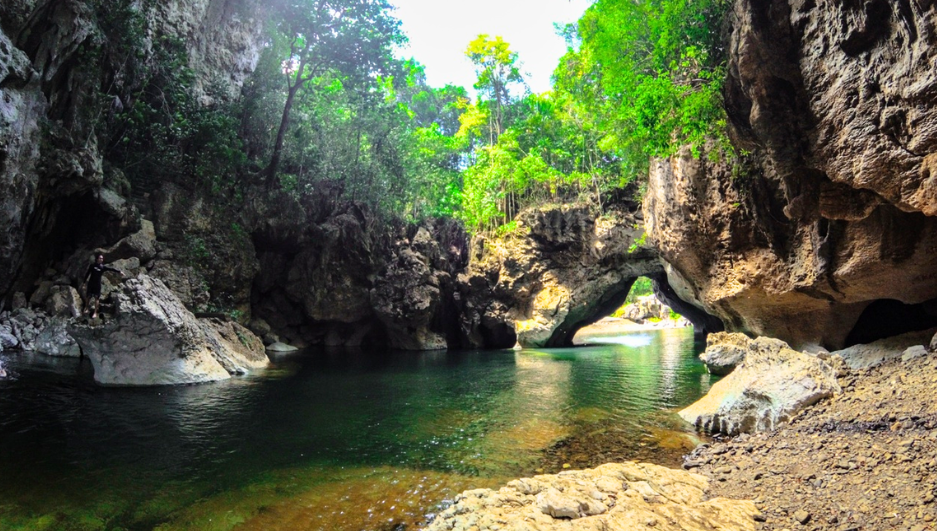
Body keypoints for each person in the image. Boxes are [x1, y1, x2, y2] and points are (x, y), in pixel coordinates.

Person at [82, 253, 124, 319]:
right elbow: (87, 273)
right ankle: (86, 307)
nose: (101, 259)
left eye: (102, 258)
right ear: (97, 259)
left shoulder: (102, 267)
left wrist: (119, 272)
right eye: (100, 258)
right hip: (91, 283)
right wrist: (84, 282)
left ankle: (95, 312)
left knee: (96, 298)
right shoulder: (92, 265)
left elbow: (111, 269)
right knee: (88, 296)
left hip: (97, 284)